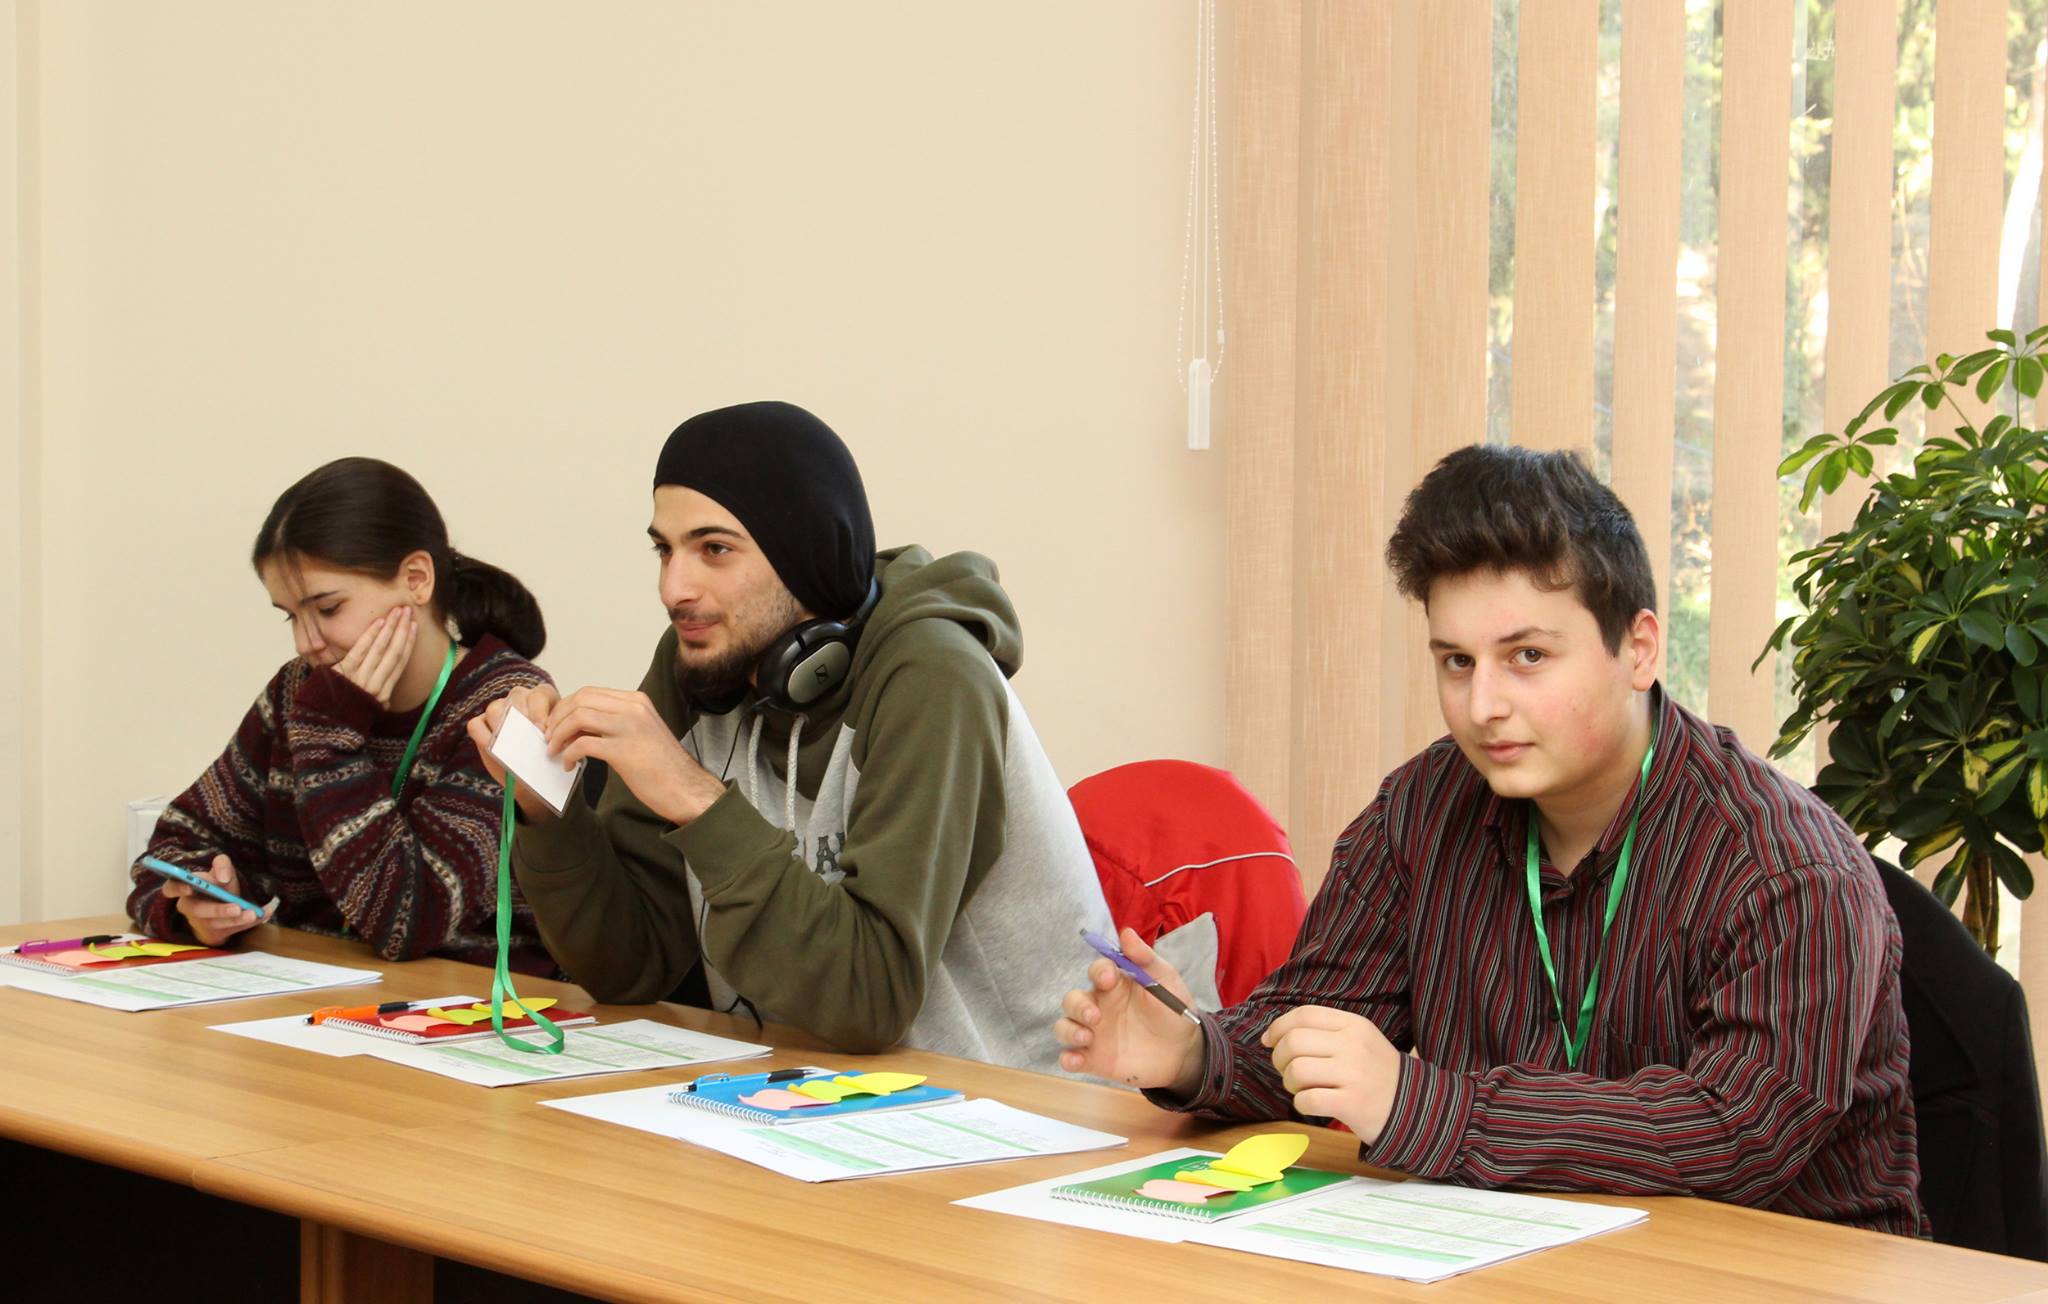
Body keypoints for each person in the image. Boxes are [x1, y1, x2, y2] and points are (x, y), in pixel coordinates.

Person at [1053, 444, 1926, 1235]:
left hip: (1775, 1274)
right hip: (1511, 1252)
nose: (1483, 706)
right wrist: (1195, 1051)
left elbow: (1735, 1135)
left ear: (1639, 649)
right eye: (1457, 662)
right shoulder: (1423, 810)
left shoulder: (1784, 867)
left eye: (1528, 657)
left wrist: (1420, 1104)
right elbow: (1317, 1031)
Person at [468, 400, 1112, 1071]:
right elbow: (630, 966)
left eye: (714, 549)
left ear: (806, 556)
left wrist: (697, 801)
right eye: (665, 549)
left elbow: (869, 998)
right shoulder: (701, 662)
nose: (673, 587)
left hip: (1016, 1098)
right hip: (815, 1096)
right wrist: (547, 812)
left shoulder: (934, 676)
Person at [129, 457, 557, 974]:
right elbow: (170, 851)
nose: (306, 642)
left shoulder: (510, 707)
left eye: (328, 608)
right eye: (291, 616)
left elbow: (409, 921)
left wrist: (328, 736)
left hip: (468, 1006)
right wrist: (200, 907)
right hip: (317, 996)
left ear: (416, 579)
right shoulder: (302, 693)